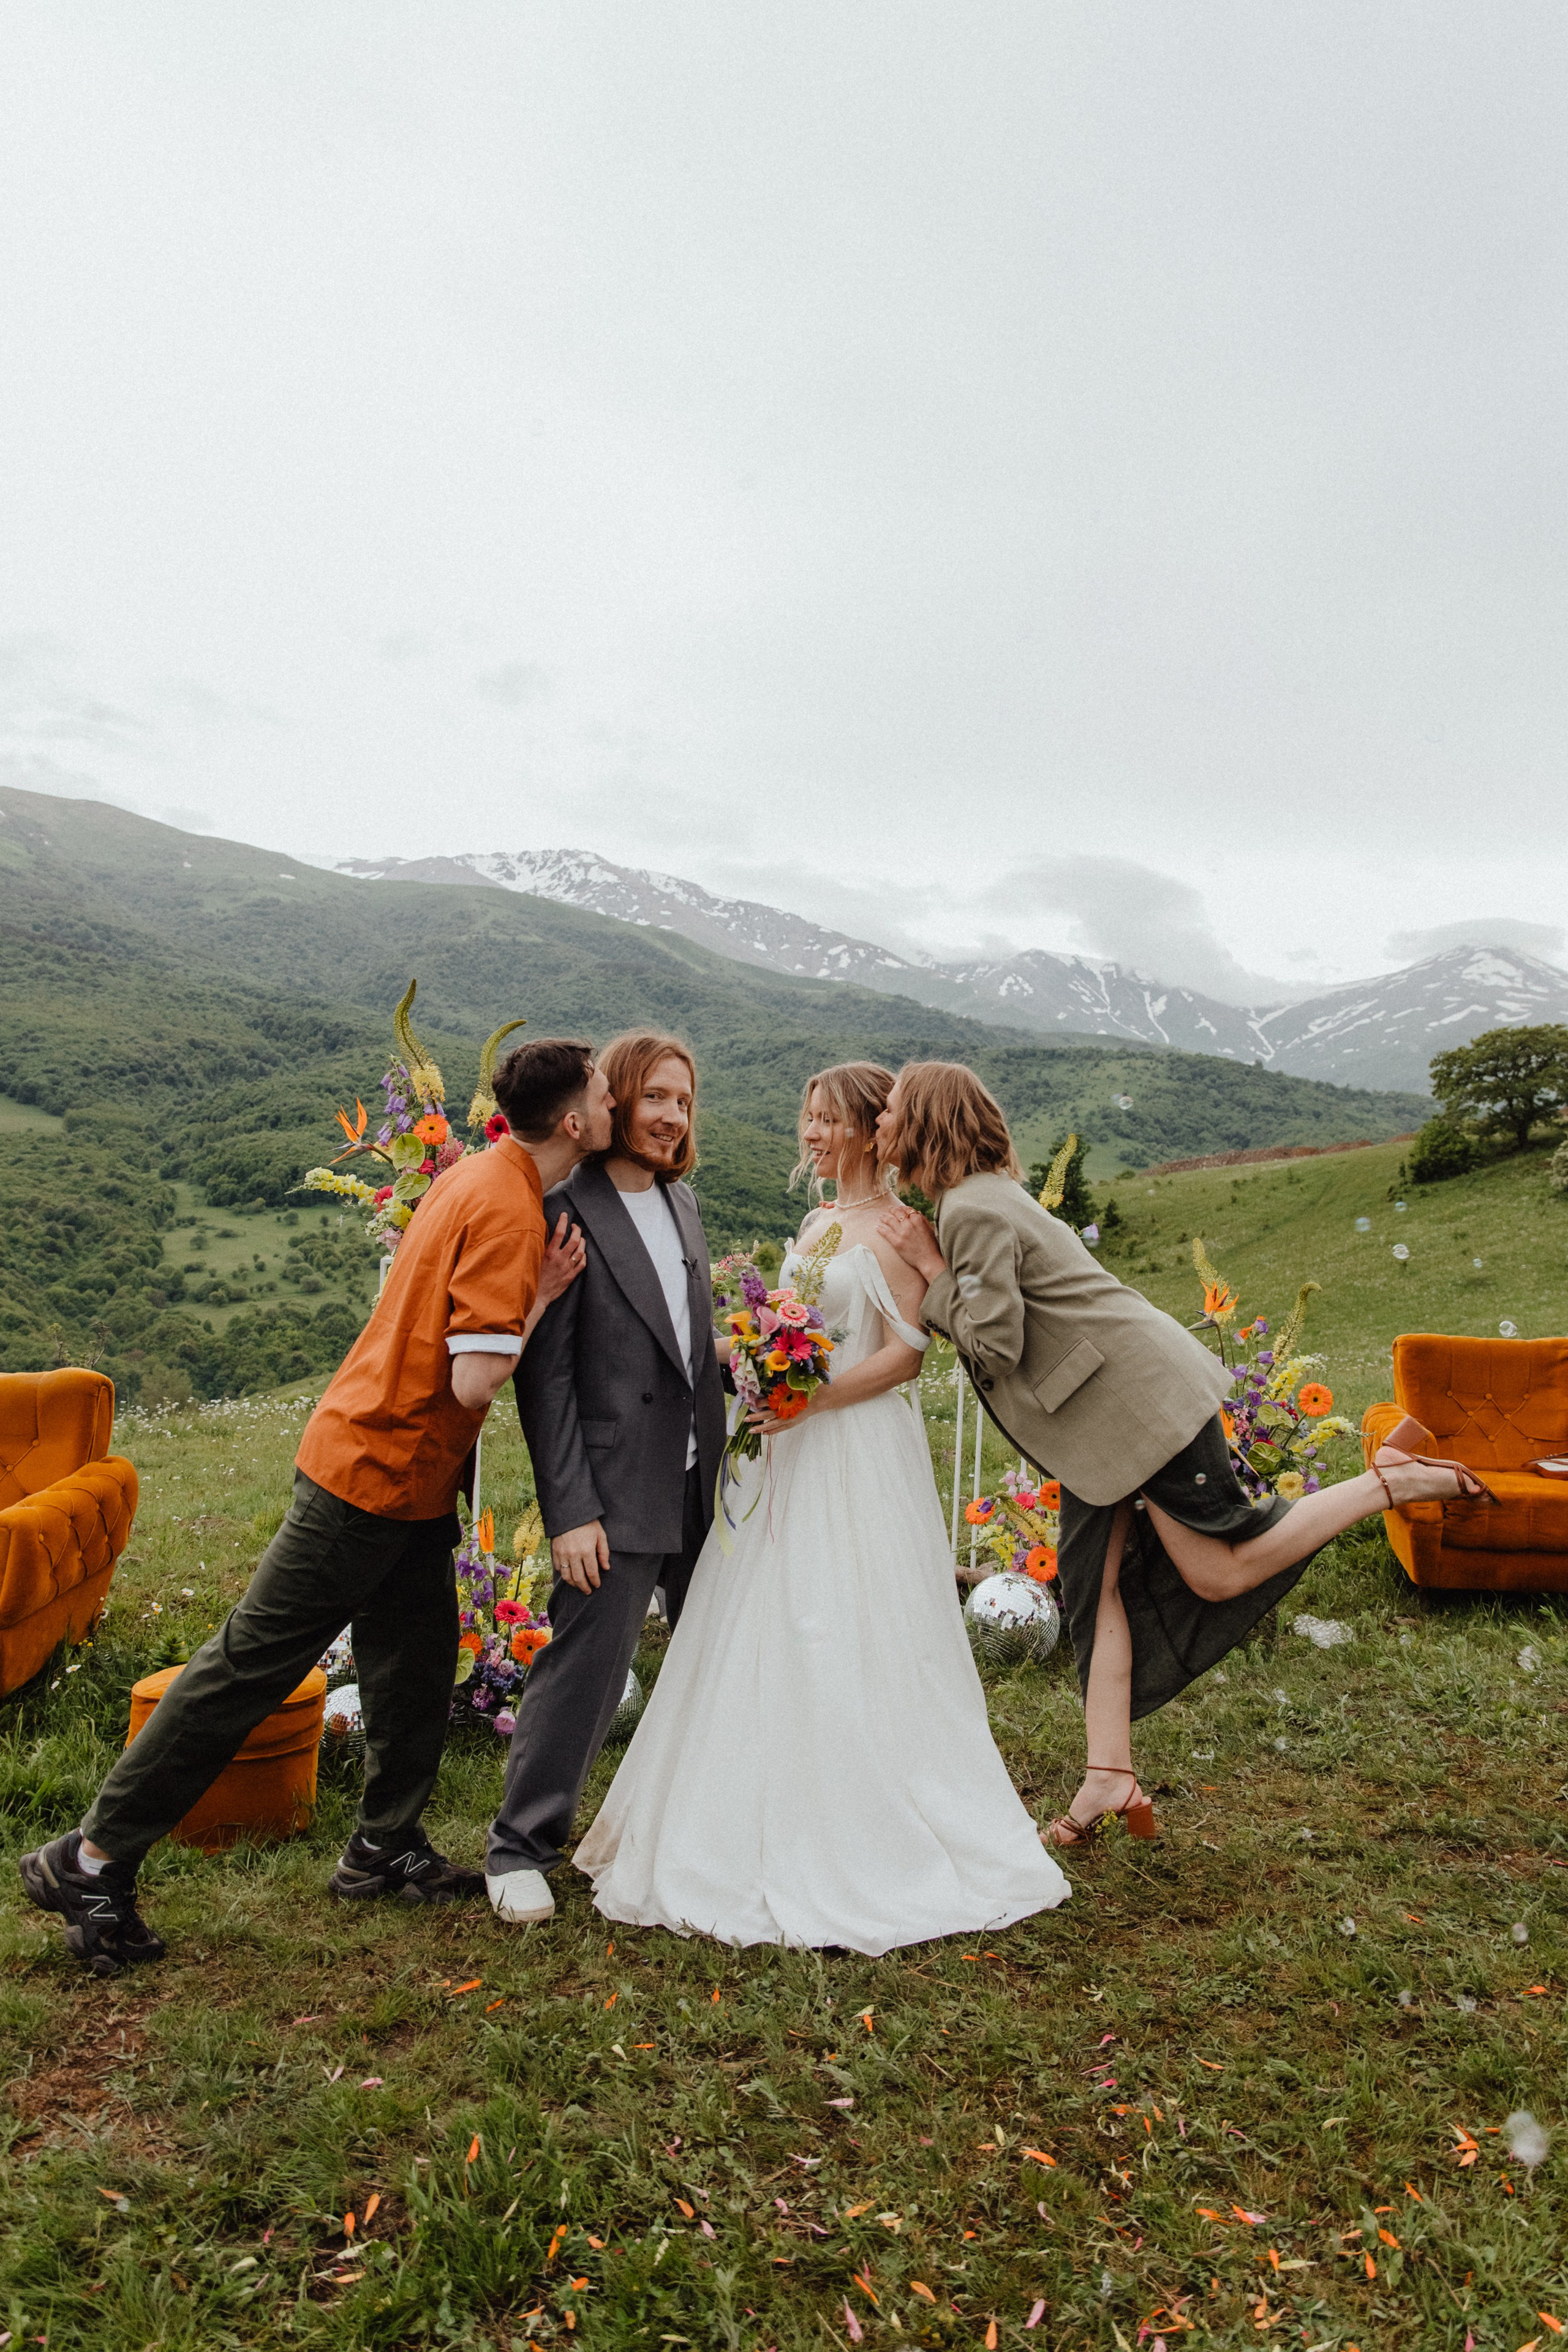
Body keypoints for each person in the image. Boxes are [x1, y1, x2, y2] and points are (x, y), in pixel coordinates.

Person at [20, 1038, 610, 1976]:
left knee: (416, 1663)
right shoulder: (509, 1211)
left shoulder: (481, 1171)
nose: (616, 1105)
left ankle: (384, 1846)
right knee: (247, 1668)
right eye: (607, 1095)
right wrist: (537, 1295)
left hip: (406, 1479)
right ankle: (90, 1860)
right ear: (574, 1121)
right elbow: (476, 1380)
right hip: (369, 1475)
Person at [876, 1060, 1496, 1847]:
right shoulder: (976, 1197)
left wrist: (932, 1272)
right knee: (1091, 1587)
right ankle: (1108, 1776)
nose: (880, 1122)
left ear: (924, 1121)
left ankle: (1386, 1484)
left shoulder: (970, 1209)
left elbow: (995, 1343)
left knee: (1218, 1572)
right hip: (1097, 1425)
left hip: (1138, 1405)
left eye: (890, 1109)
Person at [573, 1060, 1071, 1954]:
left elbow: (909, 1351)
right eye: (808, 1116)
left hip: (855, 1446)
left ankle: (864, 1814)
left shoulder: (902, 1226)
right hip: (784, 1445)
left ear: (872, 1128)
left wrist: (818, 1401)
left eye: (829, 1119)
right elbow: (793, 1322)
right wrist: (757, 1363)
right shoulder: (814, 1223)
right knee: (765, 1609)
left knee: (848, 1612)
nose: (812, 1133)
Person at [486, 1030, 729, 1928]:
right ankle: (519, 1848)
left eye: (684, 1102)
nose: (672, 1117)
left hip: (700, 1479)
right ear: (615, 1100)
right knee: (584, 1672)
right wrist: (570, 1511)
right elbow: (544, 1380)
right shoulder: (565, 1210)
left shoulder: (683, 1203)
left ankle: (689, 1828)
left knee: (712, 1660)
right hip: (612, 1487)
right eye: (656, 1097)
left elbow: (687, 1344)